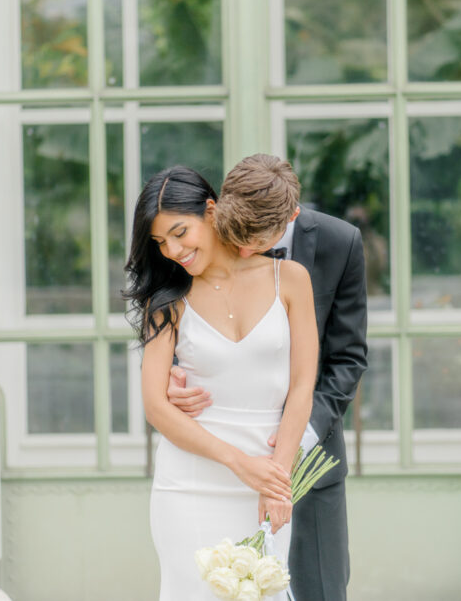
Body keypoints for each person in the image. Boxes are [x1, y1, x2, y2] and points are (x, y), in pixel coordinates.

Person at [168, 154, 368, 601]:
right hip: (221, 464)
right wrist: (169, 376)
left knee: (320, 592)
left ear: (292, 216)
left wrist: (290, 451)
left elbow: (348, 359)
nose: (240, 253)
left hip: (310, 466)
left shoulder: (341, 243)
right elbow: (177, 322)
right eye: (234, 238)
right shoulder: (204, 232)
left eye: (254, 241)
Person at [124, 165, 319, 601]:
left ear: (211, 211)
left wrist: (277, 479)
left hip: (268, 475)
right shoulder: (168, 301)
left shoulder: (290, 279)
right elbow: (156, 407)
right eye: (160, 242)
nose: (172, 250)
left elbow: (303, 384)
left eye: (180, 232)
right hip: (189, 483)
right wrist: (238, 463)